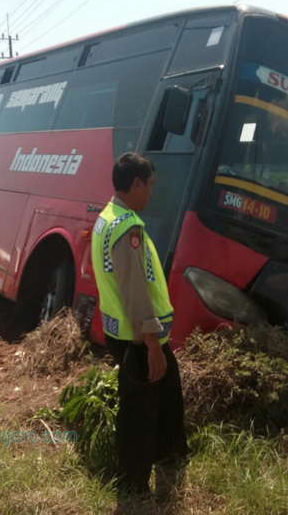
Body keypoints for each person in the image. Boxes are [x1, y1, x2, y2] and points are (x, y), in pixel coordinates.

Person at [90, 152, 188, 507]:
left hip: (126, 334)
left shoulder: (106, 217)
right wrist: (151, 344)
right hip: (139, 340)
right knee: (139, 415)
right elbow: (134, 289)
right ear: (135, 184)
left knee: (167, 396)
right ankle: (133, 487)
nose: (151, 194)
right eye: (149, 186)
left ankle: (170, 457)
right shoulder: (127, 227)